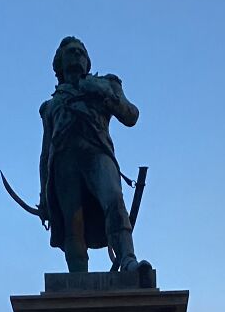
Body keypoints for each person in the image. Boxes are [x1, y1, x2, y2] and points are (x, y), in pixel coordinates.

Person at [38, 36, 152, 280]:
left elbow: (131, 116)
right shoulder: (50, 106)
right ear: (59, 63)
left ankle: (128, 259)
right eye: (71, 52)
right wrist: (43, 196)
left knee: (114, 201)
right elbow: (46, 152)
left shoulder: (106, 84)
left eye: (81, 52)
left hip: (98, 156)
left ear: (88, 61)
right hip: (63, 164)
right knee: (72, 223)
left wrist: (105, 94)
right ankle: (77, 278)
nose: (77, 55)